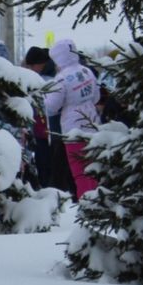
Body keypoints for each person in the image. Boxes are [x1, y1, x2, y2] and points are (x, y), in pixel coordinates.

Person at [44, 38, 101, 198]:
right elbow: (96, 97)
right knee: (93, 169)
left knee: (79, 172)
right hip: (93, 124)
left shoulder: (61, 78)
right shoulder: (86, 71)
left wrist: (45, 97)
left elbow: (51, 107)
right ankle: (97, 201)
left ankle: (86, 203)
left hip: (72, 128)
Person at [23, 46, 53, 189]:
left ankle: (42, 185)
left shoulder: (40, 79)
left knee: (44, 162)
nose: (42, 67)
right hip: (32, 128)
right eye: (40, 65)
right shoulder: (26, 80)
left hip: (41, 129)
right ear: (32, 64)